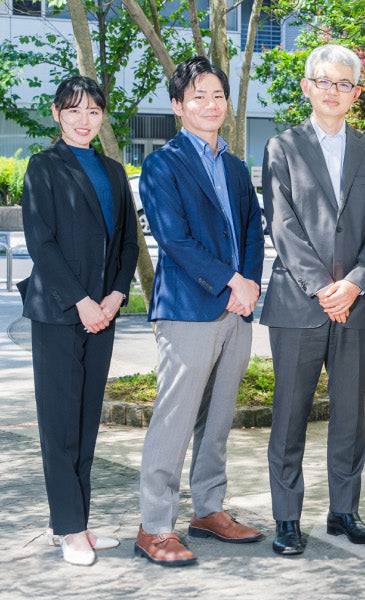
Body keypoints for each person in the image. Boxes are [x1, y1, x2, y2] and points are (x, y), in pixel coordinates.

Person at [257, 44, 365, 556]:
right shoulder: (282, 147)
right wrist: (322, 288)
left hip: (356, 305)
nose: (333, 91)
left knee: (350, 416)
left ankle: (344, 512)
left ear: (356, 92)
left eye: (344, 83)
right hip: (298, 304)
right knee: (289, 415)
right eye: (324, 81)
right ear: (307, 87)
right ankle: (287, 518)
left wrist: (355, 283)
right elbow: (282, 223)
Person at [134, 56, 267, 567]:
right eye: (197, 97)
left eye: (217, 96)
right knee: (175, 419)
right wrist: (231, 281)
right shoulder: (162, 165)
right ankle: (155, 526)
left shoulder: (235, 166)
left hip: (238, 309)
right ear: (177, 105)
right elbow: (174, 239)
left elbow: (252, 229)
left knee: (218, 418)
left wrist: (249, 284)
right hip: (189, 308)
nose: (210, 105)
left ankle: (208, 509)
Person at [18, 75, 142, 567]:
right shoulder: (43, 167)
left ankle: (76, 524)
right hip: (58, 313)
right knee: (59, 424)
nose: (83, 119)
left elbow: (128, 241)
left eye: (93, 110)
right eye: (73, 110)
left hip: (103, 313)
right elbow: (41, 243)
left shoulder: (113, 170)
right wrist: (82, 302)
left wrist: (115, 296)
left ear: (102, 116)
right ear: (57, 113)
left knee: (87, 420)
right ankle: (68, 528)